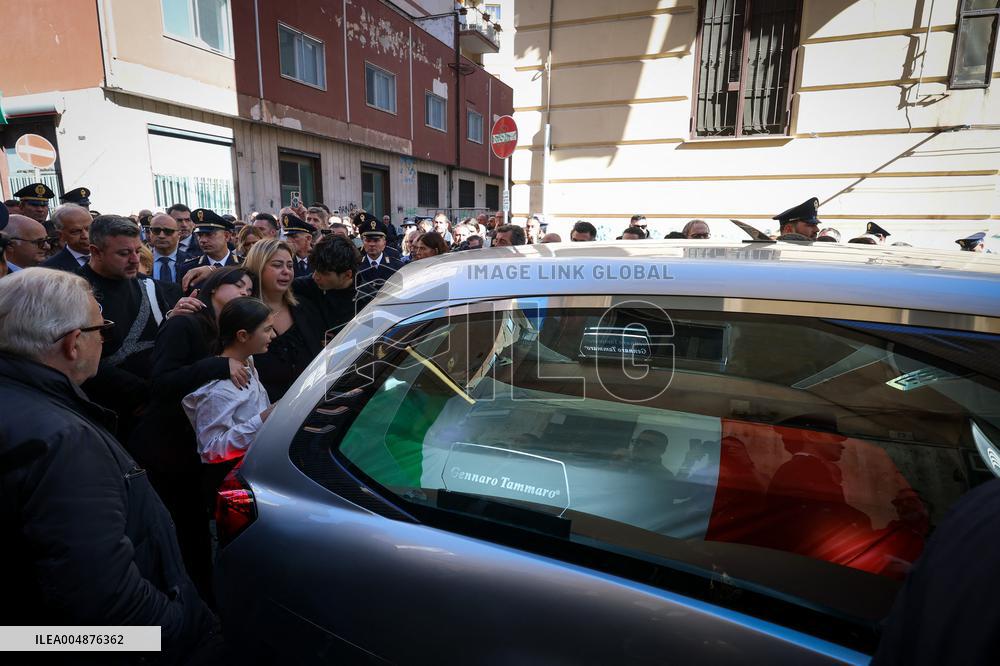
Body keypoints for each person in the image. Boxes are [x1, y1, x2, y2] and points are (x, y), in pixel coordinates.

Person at [0, 268, 222, 661]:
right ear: (73, 343)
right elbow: (104, 603)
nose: (104, 340)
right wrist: (182, 632)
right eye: (101, 329)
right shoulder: (64, 441)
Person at [130, 266, 256, 603]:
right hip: (167, 445)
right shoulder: (184, 322)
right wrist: (218, 365)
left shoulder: (220, 327)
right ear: (214, 287)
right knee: (181, 531)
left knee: (196, 531)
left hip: (194, 447)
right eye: (238, 286)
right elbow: (161, 384)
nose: (245, 292)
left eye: (249, 289)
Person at [872, 479, 1000, 666]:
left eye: (910, 500)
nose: (906, 506)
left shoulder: (954, 533)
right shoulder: (888, 539)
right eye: (899, 503)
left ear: (926, 506)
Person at [79, 215, 179, 441]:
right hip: (105, 415)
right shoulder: (74, 291)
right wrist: (140, 393)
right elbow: (80, 358)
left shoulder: (149, 286)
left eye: (138, 249)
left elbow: (164, 340)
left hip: (156, 411)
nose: (135, 259)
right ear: (96, 252)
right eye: (124, 253)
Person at [183, 297, 275, 466]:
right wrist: (262, 419)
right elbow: (211, 449)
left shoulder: (248, 361)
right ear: (243, 335)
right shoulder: (218, 390)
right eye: (267, 329)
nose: (273, 335)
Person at [243, 239, 326, 401]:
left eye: (289, 265)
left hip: (311, 405)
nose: (286, 271)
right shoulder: (244, 314)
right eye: (277, 265)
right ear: (258, 267)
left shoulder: (306, 308)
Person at [292, 235, 363, 337]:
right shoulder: (306, 286)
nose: (315, 276)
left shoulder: (367, 300)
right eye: (315, 269)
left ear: (347, 274)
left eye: (324, 273)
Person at [177, 208, 240, 289]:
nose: (203, 240)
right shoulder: (189, 267)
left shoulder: (243, 265)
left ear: (226, 236)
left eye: (209, 234)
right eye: (199, 235)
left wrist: (213, 270)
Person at [356, 217, 404, 300]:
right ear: (363, 242)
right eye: (368, 240)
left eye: (376, 240)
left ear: (384, 243)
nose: (372, 244)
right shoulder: (356, 266)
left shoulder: (397, 266)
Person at [42, 204, 93, 272]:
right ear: (60, 235)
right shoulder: (50, 268)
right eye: (76, 231)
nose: (86, 236)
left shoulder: (108, 256)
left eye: (89, 229)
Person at [147, 212, 191, 284]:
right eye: (156, 230)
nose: (161, 236)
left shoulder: (190, 262)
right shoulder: (141, 261)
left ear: (179, 234)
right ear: (150, 232)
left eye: (168, 231)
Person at [283, 212, 315, 277]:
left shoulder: (319, 258)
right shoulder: (285, 259)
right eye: (287, 237)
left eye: (294, 237)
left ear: (308, 238)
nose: (288, 241)